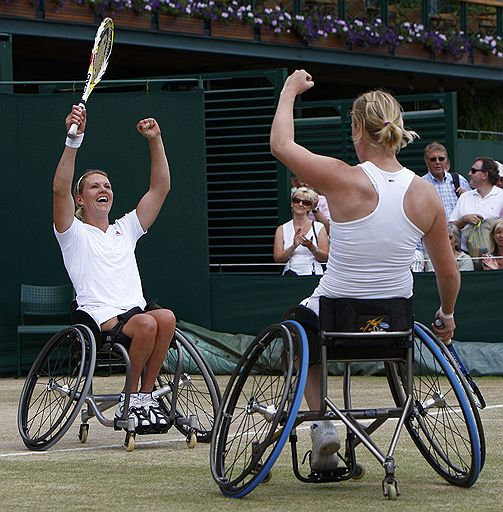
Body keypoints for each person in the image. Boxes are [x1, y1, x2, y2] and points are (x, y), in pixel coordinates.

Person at [270, 70, 459, 472]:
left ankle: (322, 423)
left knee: (295, 326)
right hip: (393, 327)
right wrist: (447, 314)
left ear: (357, 127)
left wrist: (288, 90)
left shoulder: (344, 179)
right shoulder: (426, 195)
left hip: (335, 322)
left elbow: (281, 145)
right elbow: (448, 274)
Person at [53, 105, 176, 433]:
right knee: (150, 323)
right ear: (80, 199)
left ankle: (143, 397)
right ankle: (130, 397)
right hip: (101, 318)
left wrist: (156, 140)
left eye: (106, 186)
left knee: (166, 317)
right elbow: (58, 189)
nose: (103, 190)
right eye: (94, 187)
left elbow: (160, 188)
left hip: (136, 313)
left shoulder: (126, 228)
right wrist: (72, 140)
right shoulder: (72, 233)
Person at [449, 157, 503, 252]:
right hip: (467, 257)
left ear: (485, 174)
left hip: (496, 257)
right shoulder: (464, 197)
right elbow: (450, 227)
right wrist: (464, 220)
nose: (469, 173)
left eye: (473, 171)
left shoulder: (501, 196)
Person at [274, 187, 329, 275]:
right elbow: (278, 259)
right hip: (290, 276)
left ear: (310, 207)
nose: (300, 204)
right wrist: (293, 246)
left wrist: (311, 247)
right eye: (297, 200)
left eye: (306, 203)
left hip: (313, 275)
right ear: (292, 203)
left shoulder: (319, 227)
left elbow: (326, 258)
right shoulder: (282, 229)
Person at [422, 142, 470, 220]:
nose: (437, 162)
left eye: (441, 159)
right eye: (433, 159)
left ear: (446, 161)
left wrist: (466, 196)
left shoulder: (459, 180)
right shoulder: (421, 184)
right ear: (426, 161)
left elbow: (472, 207)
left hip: (458, 230)